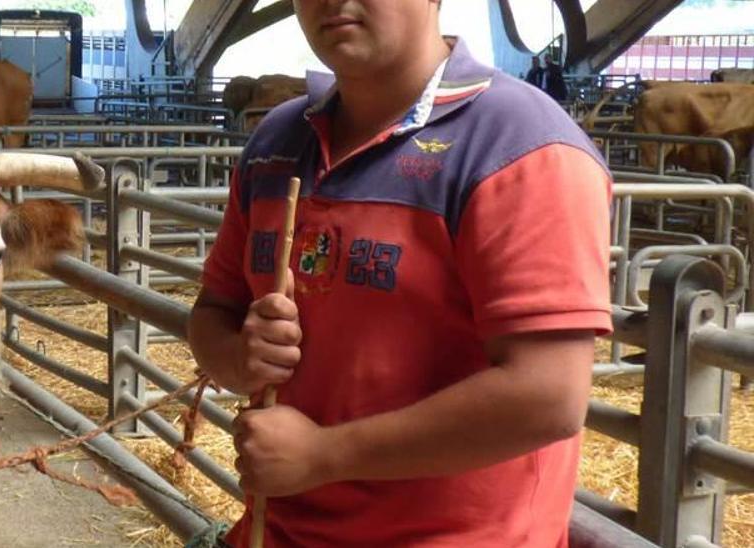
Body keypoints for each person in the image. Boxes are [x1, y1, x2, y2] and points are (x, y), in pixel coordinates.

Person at [187, 1, 611, 547]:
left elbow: (547, 397)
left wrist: (324, 455)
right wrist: (239, 358)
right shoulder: (277, 142)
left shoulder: (520, 147)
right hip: (274, 532)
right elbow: (214, 312)